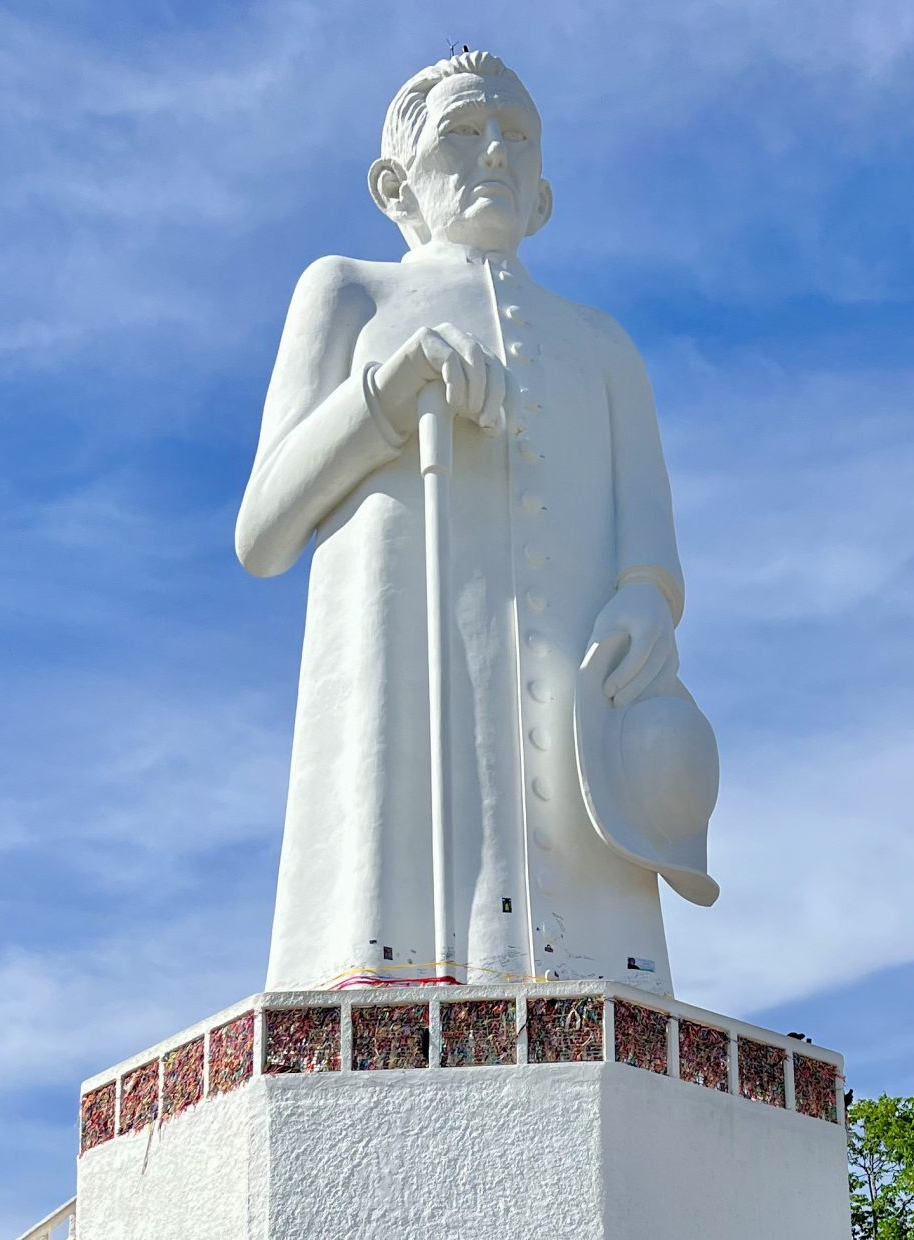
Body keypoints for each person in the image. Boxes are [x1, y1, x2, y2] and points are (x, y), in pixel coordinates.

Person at [235, 49, 716, 992]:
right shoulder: (349, 292)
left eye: (518, 136)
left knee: (596, 944)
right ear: (394, 184)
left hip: (575, 692)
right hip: (403, 671)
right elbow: (263, 531)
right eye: (462, 132)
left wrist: (646, 602)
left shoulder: (603, 345)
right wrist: (385, 392)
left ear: (544, 194)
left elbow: (648, 548)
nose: (495, 150)